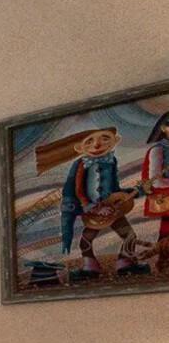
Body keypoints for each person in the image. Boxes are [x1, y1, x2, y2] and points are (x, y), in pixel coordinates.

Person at [35, 126, 144, 279]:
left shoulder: (111, 162)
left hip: (112, 209)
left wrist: (133, 192)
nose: (97, 145)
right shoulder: (81, 164)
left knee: (129, 236)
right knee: (86, 240)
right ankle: (90, 268)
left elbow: (115, 188)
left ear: (114, 141)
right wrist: (93, 208)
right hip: (94, 212)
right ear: (81, 148)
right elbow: (78, 190)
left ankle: (125, 264)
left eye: (104, 139)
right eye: (90, 142)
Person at [140, 110, 169, 272]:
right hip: (165, 196)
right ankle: (164, 261)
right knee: (166, 230)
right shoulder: (157, 150)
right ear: (164, 128)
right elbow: (155, 179)